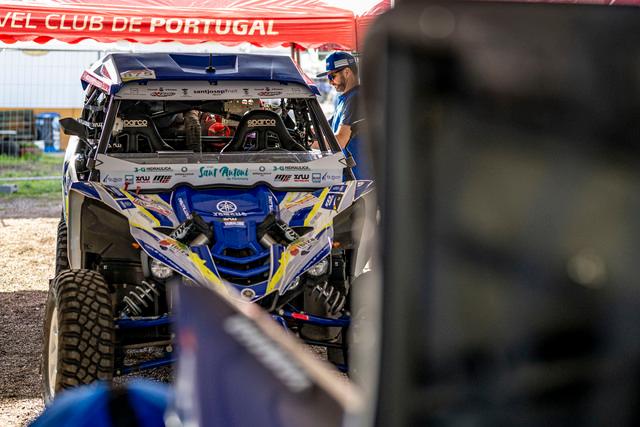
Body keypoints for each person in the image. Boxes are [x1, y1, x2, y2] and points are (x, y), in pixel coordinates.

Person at [317, 51, 372, 180]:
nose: (330, 82)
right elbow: (326, 127)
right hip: (350, 175)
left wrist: (310, 144)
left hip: (360, 178)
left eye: (332, 76)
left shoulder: (356, 98)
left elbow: (341, 139)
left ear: (347, 72)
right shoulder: (344, 99)